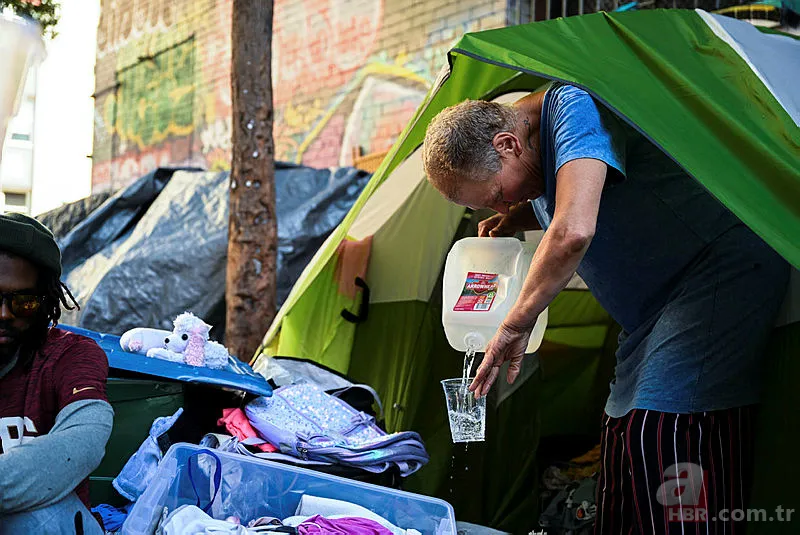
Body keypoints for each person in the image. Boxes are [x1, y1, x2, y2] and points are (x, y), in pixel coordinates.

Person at [422, 82, 790, 534]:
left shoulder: (574, 108)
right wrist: (515, 216)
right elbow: (563, 188)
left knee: (662, 432)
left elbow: (573, 228)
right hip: (648, 313)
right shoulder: (528, 148)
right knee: (619, 444)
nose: (504, 203)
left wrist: (516, 321)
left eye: (498, 194)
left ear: (507, 144)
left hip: (712, 275)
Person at [0, 213, 113, 534]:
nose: (4, 314)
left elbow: (83, 440)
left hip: (50, 525)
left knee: (34, 513)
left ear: (46, 303)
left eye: (23, 302)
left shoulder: (70, 355)